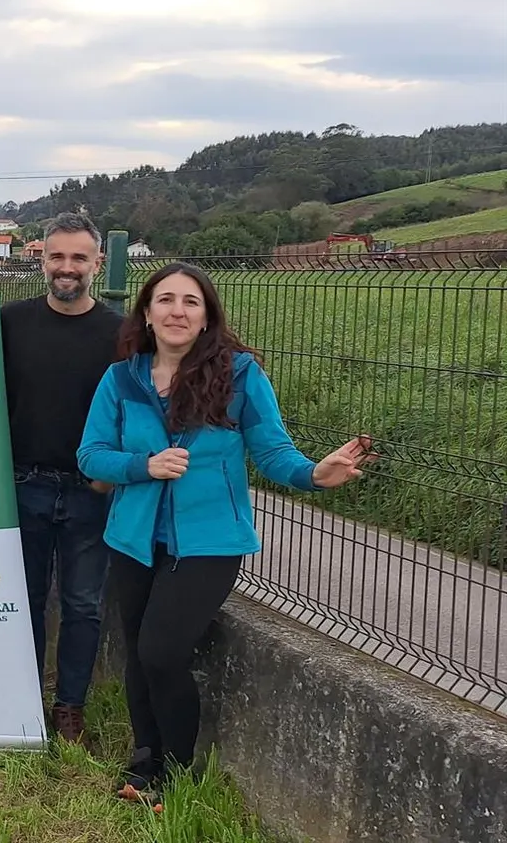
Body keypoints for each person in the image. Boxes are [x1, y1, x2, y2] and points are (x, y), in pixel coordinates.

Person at [78, 262, 372, 802]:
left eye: (191, 301)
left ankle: (176, 770)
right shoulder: (121, 378)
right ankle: (144, 761)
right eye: (165, 300)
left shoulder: (239, 375)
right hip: (133, 538)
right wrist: (144, 465)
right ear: (146, 313)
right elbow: (91, 455)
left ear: (207, 314)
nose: (177, 311)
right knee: (141, 654)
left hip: (209, 542)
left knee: (162, 653)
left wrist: (313, 474)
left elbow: (272, 449)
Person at [0, 213, 124, 743]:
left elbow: (133, 412)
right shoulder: (8, 322)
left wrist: (111, 476)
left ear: (97, 263)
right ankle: (22, 700)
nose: (66, 268)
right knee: (21, 600)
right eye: (57, 257)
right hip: (22, 484)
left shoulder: (121, 334)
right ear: (41, 259)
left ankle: (69, 707)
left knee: (82, 605)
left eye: (78, 258)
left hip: (88, 491)